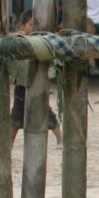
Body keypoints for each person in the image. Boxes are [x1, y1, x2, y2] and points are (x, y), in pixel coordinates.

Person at [9, 13, 61, 146]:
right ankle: (9, 143)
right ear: (22, 26)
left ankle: (60, 139)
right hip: (21, 83)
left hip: (39, 81)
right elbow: (8, 37)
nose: (34, 29)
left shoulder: (43, 41)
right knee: (16, 114)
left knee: (45, 110)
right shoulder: (18, 39)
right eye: (31, 25)